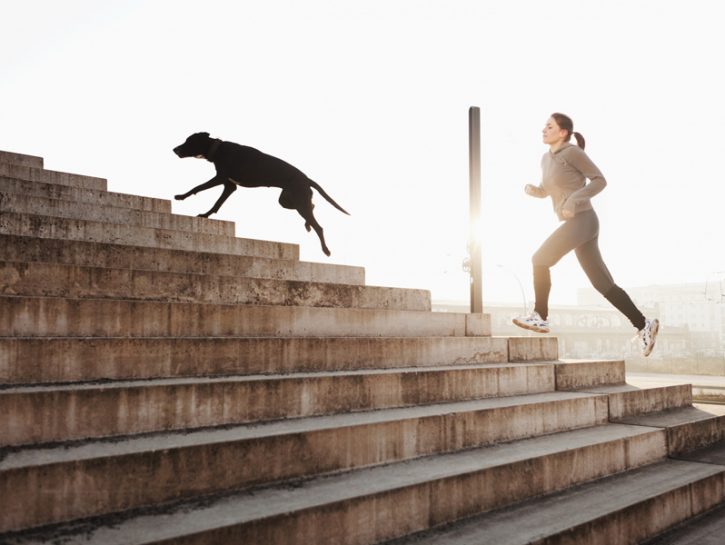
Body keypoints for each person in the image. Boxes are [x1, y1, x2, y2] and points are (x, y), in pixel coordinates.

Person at [512, 113, 660, 357]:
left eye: (549, 126)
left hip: (583, 220)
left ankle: (540, 315)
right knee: (603, 284)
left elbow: (600, 180)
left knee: (540, 259)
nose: (543, 129)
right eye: (544, 126)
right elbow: (548, 190)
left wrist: (574, 199)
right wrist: (534, 191)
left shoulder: (572, 152)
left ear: (563, 132)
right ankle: (644, 324)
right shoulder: (545, 159)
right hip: (581, 225)